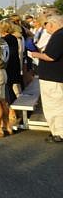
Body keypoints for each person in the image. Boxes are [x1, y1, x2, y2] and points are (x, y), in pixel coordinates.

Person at [28, 15, 63, 143]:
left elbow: (51, 56)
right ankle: (57, 131)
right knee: (56, 105)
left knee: (54, 106)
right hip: (56, 76)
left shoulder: (59, 35)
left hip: (52, 77)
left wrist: (36, 54)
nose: (45, 27)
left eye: (46, 24)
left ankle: (59, 133)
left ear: (52, 24)